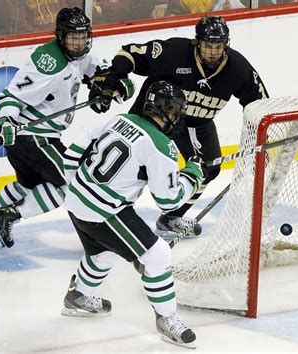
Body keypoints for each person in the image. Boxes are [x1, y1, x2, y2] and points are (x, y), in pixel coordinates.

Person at [89, 15, 268, 237]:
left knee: (209, 169)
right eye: (207, 45)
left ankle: (171, 217)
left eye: (217, 46)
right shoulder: (173, 52)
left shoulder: (238, 69)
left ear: (226, 45)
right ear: (197, 42)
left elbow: (260, 106)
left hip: (197, 123)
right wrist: (113, 77)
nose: (212, 52)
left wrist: (259, 140)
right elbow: (131, 52)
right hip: (154, 118)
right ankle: (105, 211)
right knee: (134, 166)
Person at [0, 7, 134, 248]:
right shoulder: (48, 63)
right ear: (60, 36)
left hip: (37, 139)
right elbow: (12, 96)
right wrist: (4, 120)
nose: (79, 43)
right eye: (72, 37)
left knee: (28, 185)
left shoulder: (80, 56)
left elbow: (105, 75)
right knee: (74, 183)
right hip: (34, 136)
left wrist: (114, 88)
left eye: (82, 37)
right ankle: (12, 215)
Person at [60, 80, 205, 349]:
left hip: (76, 199)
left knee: (104, 252)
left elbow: (75, 150)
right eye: (174, 109)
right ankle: (167, 319)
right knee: (158, 254)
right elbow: (168, 200)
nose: (176, 115)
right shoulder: (162, 145)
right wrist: (193, 177)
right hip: (104, 210)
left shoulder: (121, 119)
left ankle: (79, 295)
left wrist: (78, 186)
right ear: (163, 109)